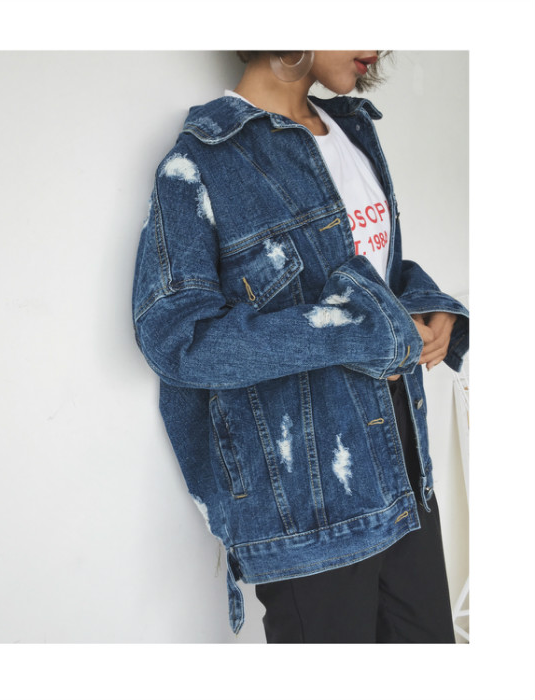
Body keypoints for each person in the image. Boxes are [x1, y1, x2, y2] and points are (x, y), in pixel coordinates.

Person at [131, 51, 469, 643]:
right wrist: (360, 330)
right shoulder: (203, 162)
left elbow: (372, 272)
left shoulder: (353, 132)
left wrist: (426, 304)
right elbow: (179, 338)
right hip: (312, 511)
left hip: (406, 478)